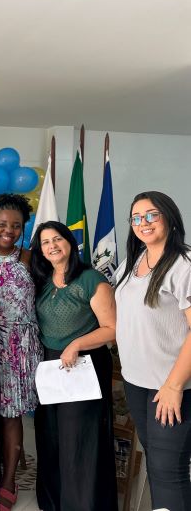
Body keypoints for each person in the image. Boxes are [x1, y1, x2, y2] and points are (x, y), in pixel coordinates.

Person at [30, 221, 118, 511]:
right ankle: (53, 503)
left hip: (84, 365)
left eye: (57, 239)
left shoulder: (92, 279)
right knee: (51, 437)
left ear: (70, 242)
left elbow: (112, 329)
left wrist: (77, 344)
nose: (52, 246)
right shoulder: (41, 279)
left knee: (78, 440)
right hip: (49, 365)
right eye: (45, 242)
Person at [114, 191, 191, 511]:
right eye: (136, 217)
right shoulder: (132, 262)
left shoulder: (183, 263)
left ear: (170, 219)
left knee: (167, 470)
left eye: (151, 215)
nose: (142, 223)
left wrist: (173, 386)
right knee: (159, 462)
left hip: (171, 386)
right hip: (137, 382)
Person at [0, 193, 41, 511]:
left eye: (16, 225)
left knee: (11, 416)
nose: (8, 230)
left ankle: (9, 479)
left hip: (21, 349)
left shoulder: (29, 259)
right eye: (2, 224)